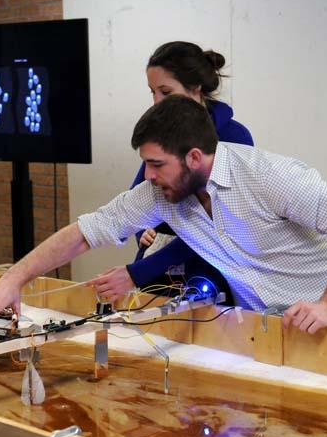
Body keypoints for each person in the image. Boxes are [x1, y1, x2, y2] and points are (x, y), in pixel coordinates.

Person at [0, 96, 327, 334]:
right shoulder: (159, 194)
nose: (149, 175)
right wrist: (15, 278)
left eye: (157, 164)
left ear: (194, 156)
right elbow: (87, 231)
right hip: (270, 329)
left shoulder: (269, 177)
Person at [92, 41, 254, 304]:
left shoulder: (235, 138)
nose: (157, 102)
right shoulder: (163, 133)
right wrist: (141, 230)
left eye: (166, 92)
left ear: (196, 89)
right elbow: (138, 197)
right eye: (152, 92)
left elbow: (215, 227)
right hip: (159, 271)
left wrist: (138, 271)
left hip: (207, 272)